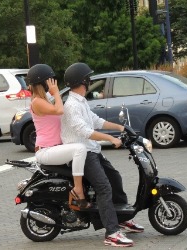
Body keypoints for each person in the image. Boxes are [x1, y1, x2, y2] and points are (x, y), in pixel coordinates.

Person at [61, 62, 144, 247]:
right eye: (88, 77)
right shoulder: (71, 105)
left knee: (114, 178)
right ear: (83, 80)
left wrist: (120, 127)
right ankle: (112, 233)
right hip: (82, 154)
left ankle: (122, 218)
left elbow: (95, 121)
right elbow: (84, 131)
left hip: (91, 150)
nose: (90, 80)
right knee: (104, 187)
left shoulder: (80, 101)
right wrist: (110, 139)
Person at [27, 64, 90, 208]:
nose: (53, 83)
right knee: (79, 149)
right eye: (50, 81)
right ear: (43, 83)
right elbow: (60, 110)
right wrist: (55, 92)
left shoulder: (45, 98)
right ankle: (78, 190)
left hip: (57, 148)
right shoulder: (37, 102)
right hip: (46, 150)